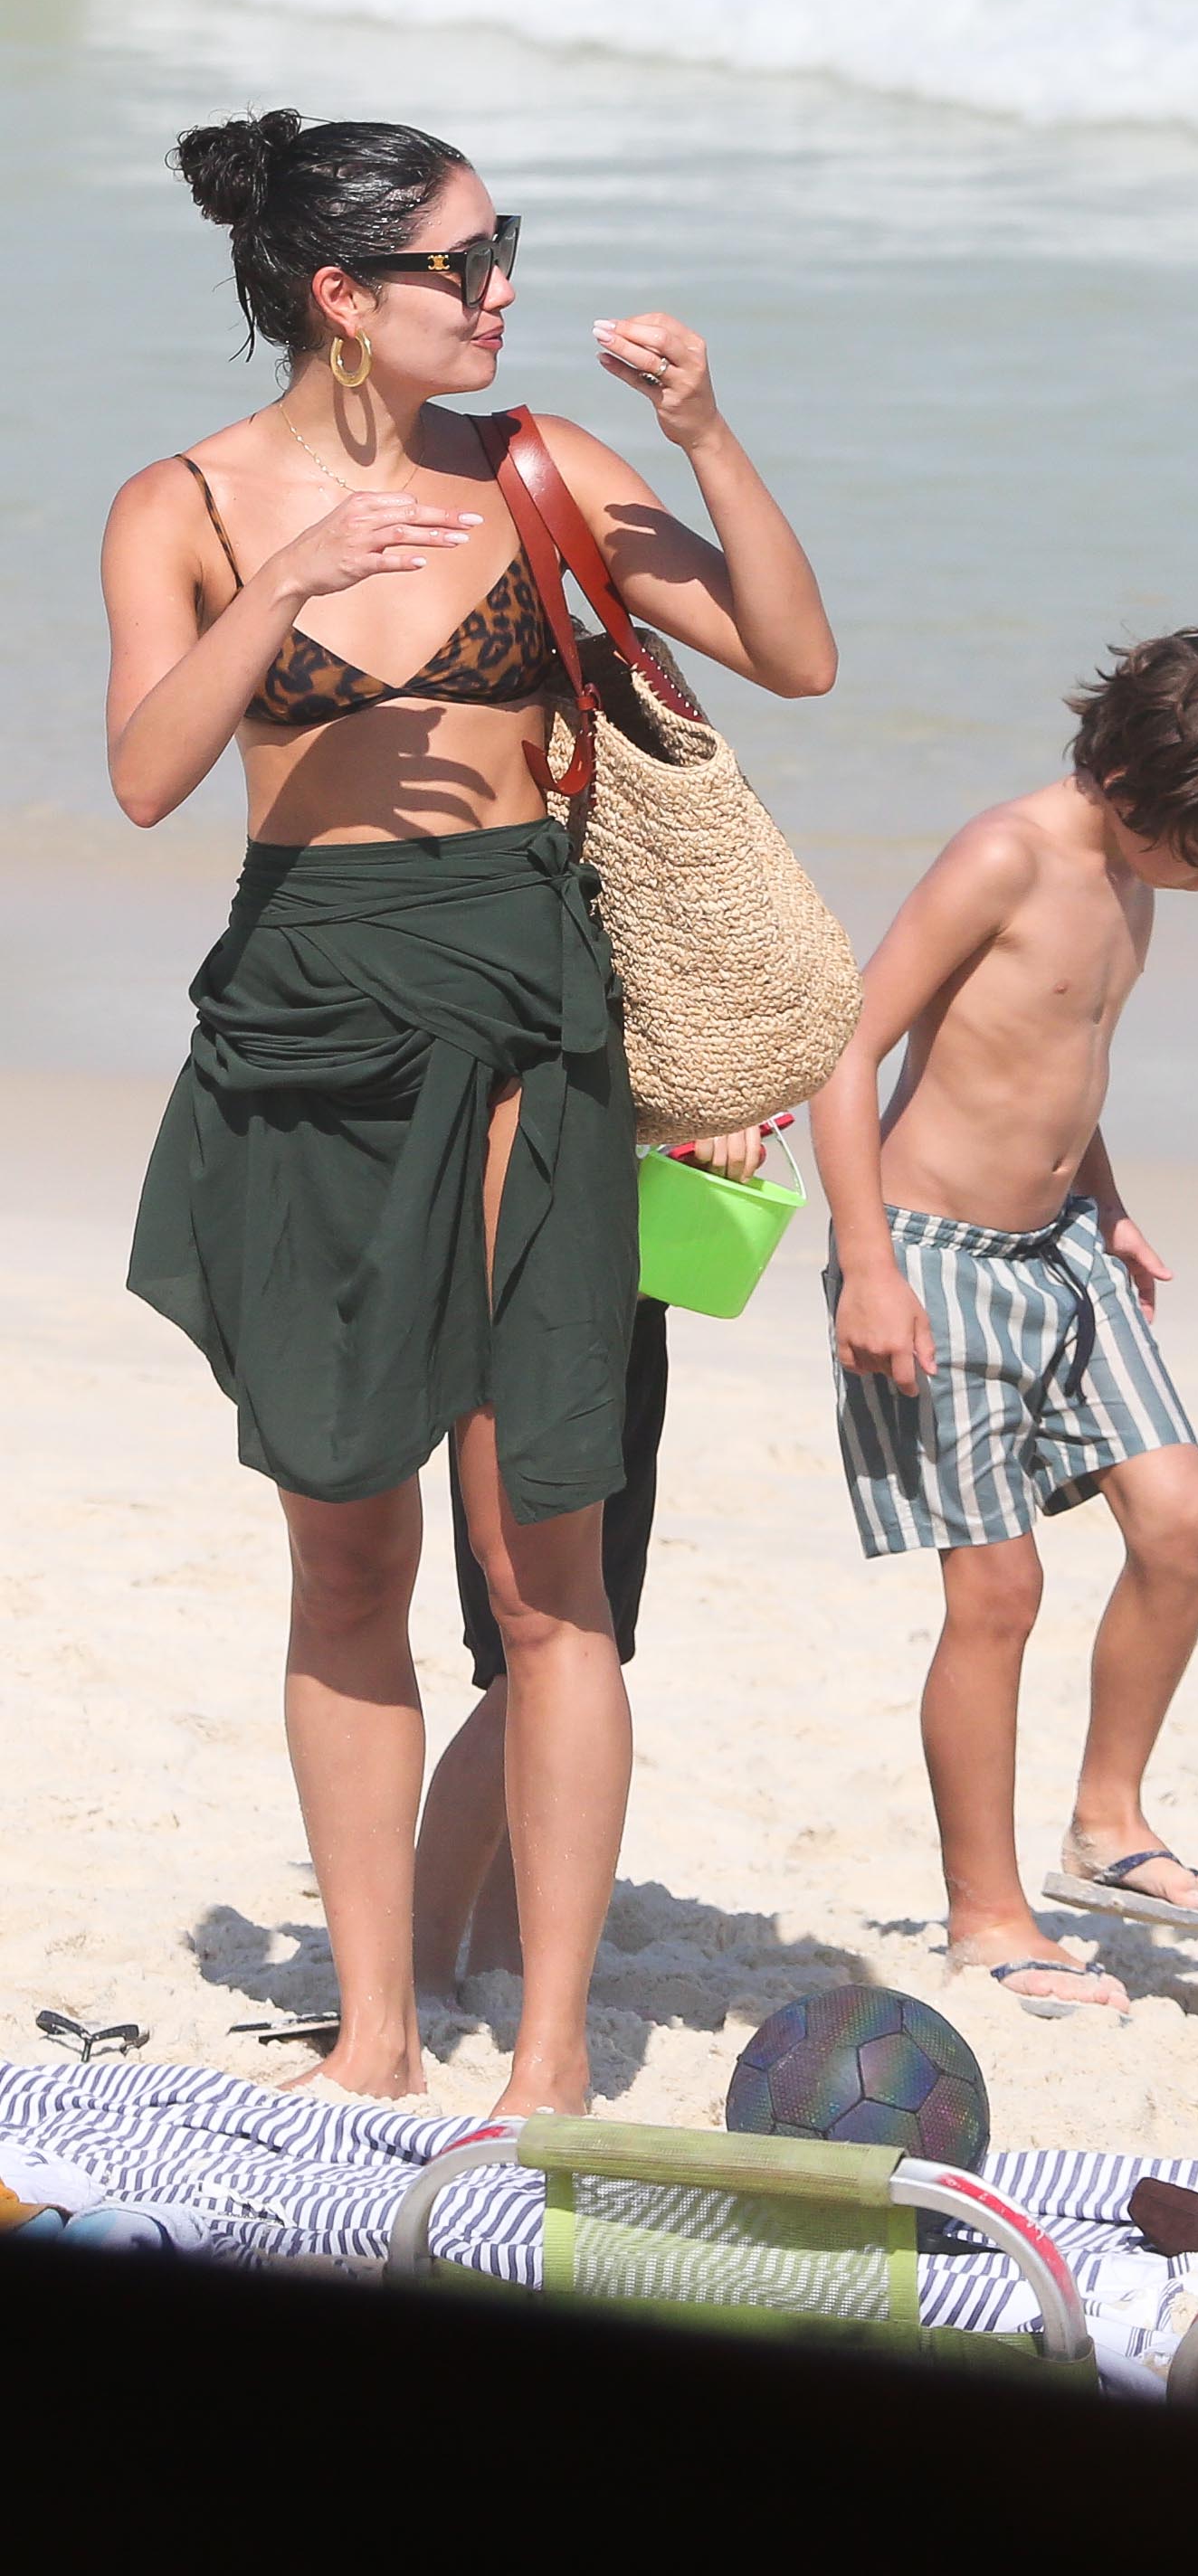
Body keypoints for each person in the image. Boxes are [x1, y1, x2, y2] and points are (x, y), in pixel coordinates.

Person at [106, 111, 835, 2112]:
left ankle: (547, 2051)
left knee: (547, 1571)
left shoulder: (538, 466)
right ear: (340, 296)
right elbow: (153, 769)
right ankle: (367, 2024)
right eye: (461, 258)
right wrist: (297, 582)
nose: (498, 282)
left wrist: (704, 432)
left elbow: (797, 650)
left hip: (529, 1006)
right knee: (343, 1554)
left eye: (504, 242)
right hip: (310, 1021)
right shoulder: (182, 500)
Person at [811, 631, 1198, 2013]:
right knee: (996, 1593)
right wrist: (866, 1261)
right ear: (1124, 773)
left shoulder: (1133, 875)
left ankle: (1106, 1822)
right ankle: (988, 1914)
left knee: (1182, 1516)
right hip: (931, 1257)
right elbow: (846, 1046)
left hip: (1064, 1250)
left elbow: (1060, 1063)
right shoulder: (1005, 854)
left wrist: (1105, 1200)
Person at [410, 1122, 763, 1994]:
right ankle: (413, 1966)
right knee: (535, 1660)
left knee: (578, 1643)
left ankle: (499, 1948)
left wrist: (713, 1096)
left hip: (617, 1256)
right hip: (515, 1239)